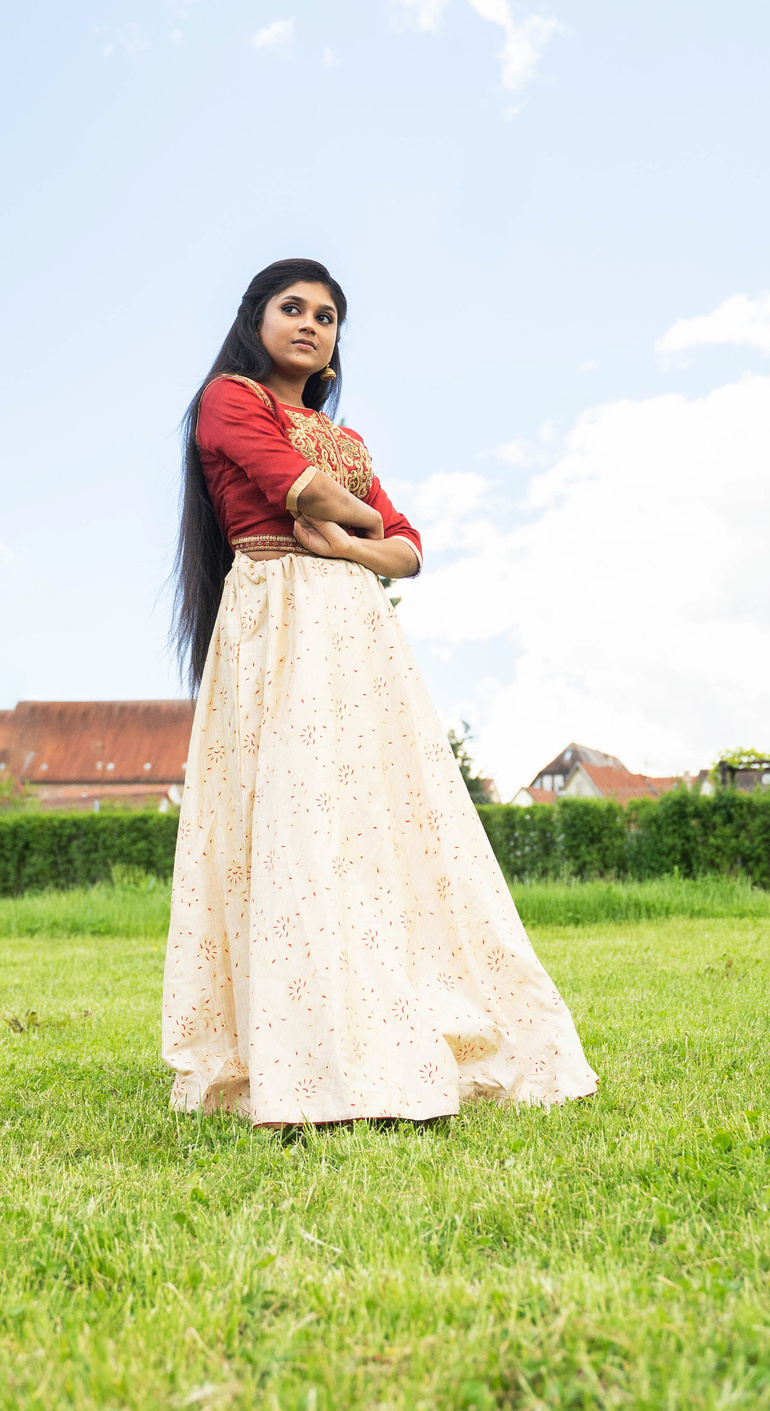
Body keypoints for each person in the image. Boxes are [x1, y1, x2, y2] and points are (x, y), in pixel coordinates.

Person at [162, 259, 598, 1126]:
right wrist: (354, 519)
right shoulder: (228, 400)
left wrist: (349, 547)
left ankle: (393, 1020)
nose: (311, 324)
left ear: (333, 348)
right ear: (256, 318)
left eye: (327, 317)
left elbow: (410, 548)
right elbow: (305, 490)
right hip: (276, 620)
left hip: (355, 633)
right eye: (293, 308)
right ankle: (304, 1048)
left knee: (377, 818)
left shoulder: (348, 438)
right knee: (296, 819)